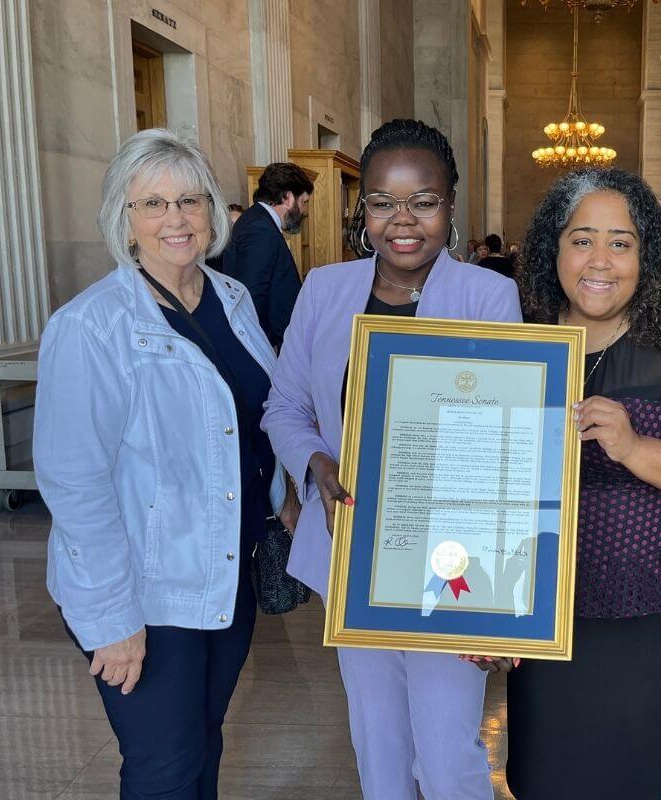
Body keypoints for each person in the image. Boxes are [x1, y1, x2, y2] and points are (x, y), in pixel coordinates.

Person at [33, 128, 297, 799]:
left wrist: (282, 495)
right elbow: (76, 485)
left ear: (212, 210)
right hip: (145, 591)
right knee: (164, 769)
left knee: (203, 742)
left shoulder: (230, 298)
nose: (174, 219)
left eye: (189, 200)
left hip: (224, 573)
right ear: (123, 220)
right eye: (151, 204)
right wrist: (111, 620)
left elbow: (252, 417)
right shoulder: (91, 327)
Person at [262, 119, 520, 800]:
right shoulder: (324, 289)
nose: (403, 222)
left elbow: (507, 438)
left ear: (451, 206)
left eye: (424, 201)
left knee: (446, 757)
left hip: (452, 563)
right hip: (354, 553)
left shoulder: (489, 297)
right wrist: (314, 462)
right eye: (382, 202)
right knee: (377, 746)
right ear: (363, 210)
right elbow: (283, 407)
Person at [505, 167, 661, 800]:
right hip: (546, 608)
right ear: (552, 248)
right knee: (547, 769)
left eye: (620, 242)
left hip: (659, 605)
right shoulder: (519, 339)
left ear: (647, 252)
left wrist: (635, 446)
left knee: (640, 771)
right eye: (581, 238)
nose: (600, 260)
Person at [221, 162, 313, 348]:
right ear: (287, 198)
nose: (304, 211)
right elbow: (251, 296)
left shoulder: (258, 221)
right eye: (303, 202)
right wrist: (269, 344)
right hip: (264, 344)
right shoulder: (260, 229)